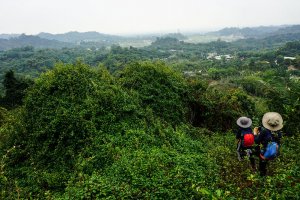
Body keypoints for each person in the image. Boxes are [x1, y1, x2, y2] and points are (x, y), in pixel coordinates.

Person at [255, 112, 283, 176]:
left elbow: (257, 141)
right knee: (275, 170)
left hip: (265, 153)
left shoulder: (264, 131)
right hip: (275, 153)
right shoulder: (279, 133)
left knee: (262, 167)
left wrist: (255, 134)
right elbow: (279, 142)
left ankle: (262, 178)